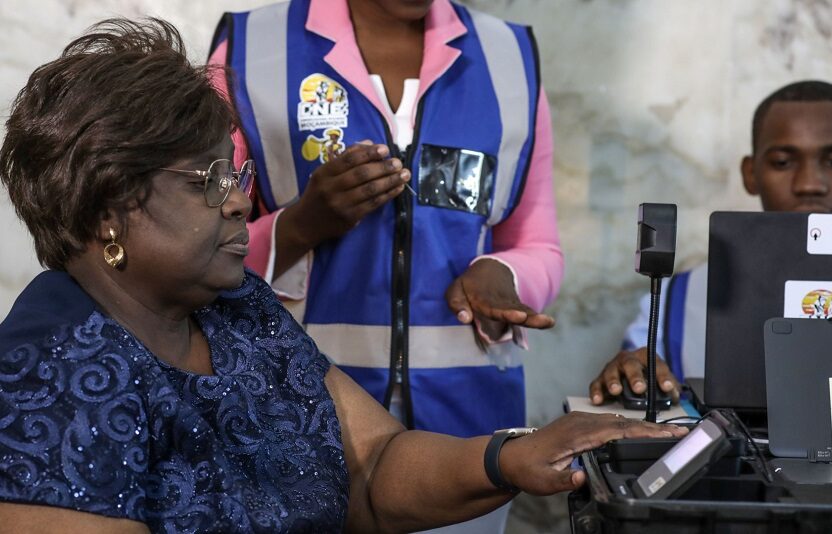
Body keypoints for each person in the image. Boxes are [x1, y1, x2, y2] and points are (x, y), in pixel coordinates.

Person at [0, 18, 686, 534]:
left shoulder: (239, 313)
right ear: (108, 209)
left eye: (234, 174)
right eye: (209, 180)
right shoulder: (53, 373)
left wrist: (512, 455)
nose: (241, 198)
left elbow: (372, 468)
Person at [208, 0, 562, 443]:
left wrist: (504, 274)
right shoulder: (253, 48)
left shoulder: (507, 56)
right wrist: (302, 225)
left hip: (471, 423)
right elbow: (203, 236)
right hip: (298, 413)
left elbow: (539, 244)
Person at [589, 80, 832, 405]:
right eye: (782, 162)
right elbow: (640, 378)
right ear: (751, 174)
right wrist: (633, 372)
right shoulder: (680, 297)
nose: (809, 184)